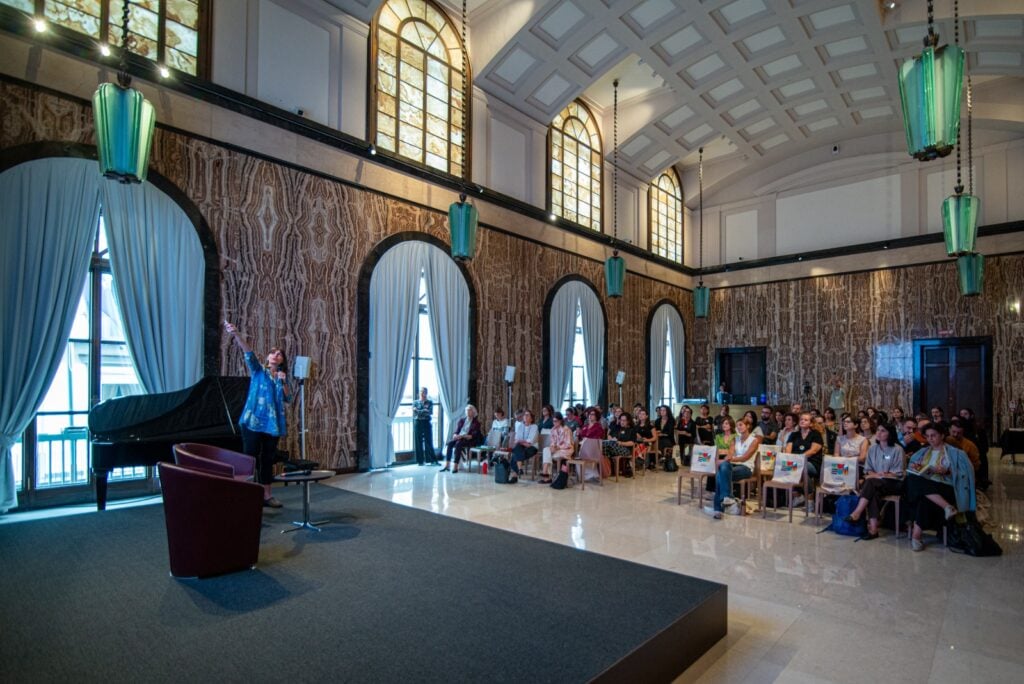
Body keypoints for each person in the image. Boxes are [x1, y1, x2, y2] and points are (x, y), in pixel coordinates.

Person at [224, 321, 292, 508]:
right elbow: (248, 353)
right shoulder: (258, 371)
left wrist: (284, 381)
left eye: (279, 354)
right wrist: (236, 334)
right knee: (249, 457)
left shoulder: (281, 377)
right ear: (268, 357)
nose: (276, 355)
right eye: (273, 353)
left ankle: (267, 495)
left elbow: (289, 398)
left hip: (273, 425)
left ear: (282, 361)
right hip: (253, 421)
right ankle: (246, 495)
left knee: (267, 459)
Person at [906, 422, 975, 552]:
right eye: (927, 436)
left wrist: (947, 471)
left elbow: (966, 475)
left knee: (920, 488)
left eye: (933, 435)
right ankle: (947, 507)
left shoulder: (955, 453)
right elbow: (912, 467)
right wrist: (917, 467)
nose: (930, 439)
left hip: (947, 487)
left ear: (942, 435)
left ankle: (916, 537)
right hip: (928, 489)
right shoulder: (923, 452)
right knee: (920, 490)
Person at [843, 423, 906, 539]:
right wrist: (876, 475)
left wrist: (880, 475)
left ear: (890, 434)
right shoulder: (872, 449)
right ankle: (873, 529)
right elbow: (868, 469)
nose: (879, 433)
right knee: (873, 492)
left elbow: (899, 472)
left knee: (870, 483)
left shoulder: (898, 449)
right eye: (878, 430)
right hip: (876, 483)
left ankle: (857, 512)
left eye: (883, 431)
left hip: (894, 482)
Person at [706, 417, 758, 519]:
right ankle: (728, 500)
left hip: (746, 467)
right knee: (723, 469)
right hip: (733, 465)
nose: (738, 428)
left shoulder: (754, 440)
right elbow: (729, 455)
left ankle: (718, 508)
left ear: (747, 426)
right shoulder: (735, 439)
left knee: (720, 474)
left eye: (741, 425)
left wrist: (728, 459)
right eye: (738, 425)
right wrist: (727, 459)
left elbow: (745, 458)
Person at [785, 413, 824, 498]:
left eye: (806, 420)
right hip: (794, 462)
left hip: (812, 462)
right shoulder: (794, 435)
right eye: (801, 419)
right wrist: (791, 459)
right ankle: (798, 496)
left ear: (811, 423)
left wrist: (798, 459)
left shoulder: (815, 434)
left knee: (800, 467)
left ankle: (809, 496)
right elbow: (788, 449)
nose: (802, 421)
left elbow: (813, 451)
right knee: (793, 468)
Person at [440, 405, 483, 473]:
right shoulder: (462, 421)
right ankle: (447, 465)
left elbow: (473, 436)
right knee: (450, 443)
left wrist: (463, 436)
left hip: (469, 440)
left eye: (469, 410)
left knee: (458, 444)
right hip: (460, 438)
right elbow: (457, 431)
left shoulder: (476, 423)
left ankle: (455, 466)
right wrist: (455, 435)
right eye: (467, 410)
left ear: (473, 412)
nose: (467, 412)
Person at [540, 412, 573, 484]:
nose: (554, 423)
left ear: (560, 421)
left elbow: (568, 444)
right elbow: (552, 442)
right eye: (553, 421)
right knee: (546, 450)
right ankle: (546, 473)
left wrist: (557, 447)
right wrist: (552, 446)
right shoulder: (552, 430)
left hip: (566, 450)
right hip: (556, 449)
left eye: (555, 421)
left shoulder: (566, 429)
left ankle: (546, 475)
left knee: (549, 454)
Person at [508, 409, 539, 483]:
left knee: (515, 454)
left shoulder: (534, 426)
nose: (525, 416)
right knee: (517, 449)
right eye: (524, 415)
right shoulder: (520, 426)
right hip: (522, 446)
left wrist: (522, 442)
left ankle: (515, 475)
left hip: (532, 448)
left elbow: (530, 441)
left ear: (531, 418)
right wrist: (524, 442)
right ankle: (519, 470)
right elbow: (517, 439)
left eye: (527, 415)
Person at [604, 413, 637, 477]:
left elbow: (632, 442)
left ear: (628, 421)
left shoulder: (632, 430)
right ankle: (610, 470)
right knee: (603, 445)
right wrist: (611, 439)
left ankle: (613, 470)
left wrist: (621, 443)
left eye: (624, 420)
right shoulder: (617, 428)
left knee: (606, 448)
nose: (622, 422)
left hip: (626, 449)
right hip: (614, 446)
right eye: (621, 420)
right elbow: (609, 435)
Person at [412, 387, 435, 465]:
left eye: (424, 392)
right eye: (421, 392)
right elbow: (415, 413)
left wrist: (418, 411)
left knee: (428, 441)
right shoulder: (415, 402)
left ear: (426, 393)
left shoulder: (430, 402)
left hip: (426, 423)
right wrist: (424, 411)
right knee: (418, 442)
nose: (423, 393)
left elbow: (430, 412)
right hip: (418, 423)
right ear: (419, 393)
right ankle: (420, 461)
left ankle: (430, 459)